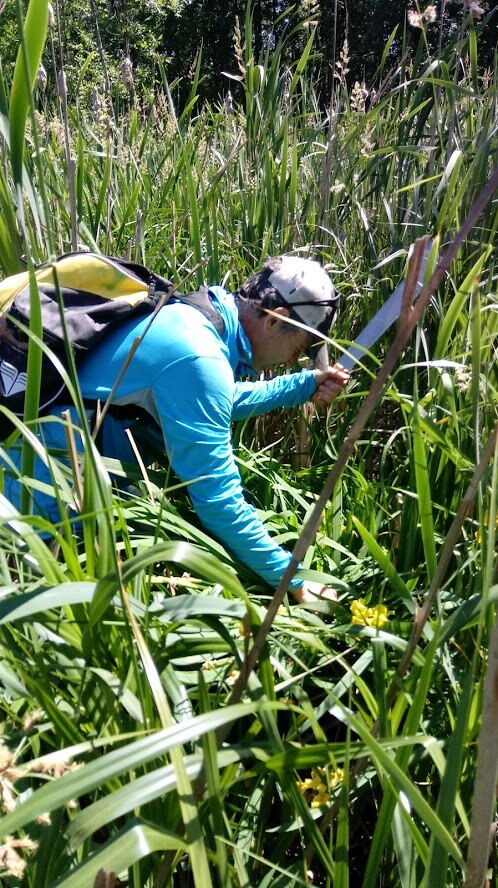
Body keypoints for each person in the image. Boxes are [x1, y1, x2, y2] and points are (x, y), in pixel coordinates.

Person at [1, 256, 349, 603]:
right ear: (278, 320)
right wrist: (292, 579)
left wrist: (305, 385)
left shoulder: (194, 316)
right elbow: (218, 502)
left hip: (38, 470)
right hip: (34, 506)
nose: (292, 361)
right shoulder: (199, 358)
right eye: (299, 348)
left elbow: (212, 400)